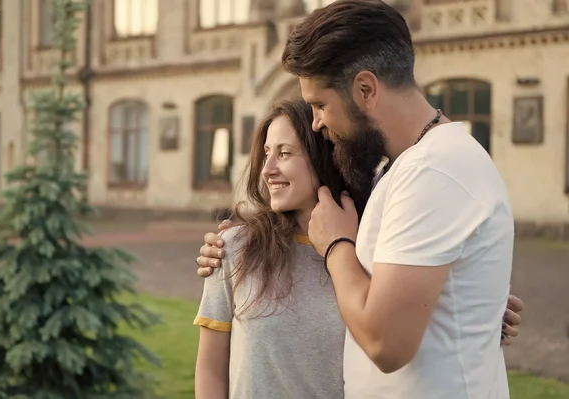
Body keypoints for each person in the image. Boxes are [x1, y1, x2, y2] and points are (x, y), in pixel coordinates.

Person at [196, 1, 525, 398]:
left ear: (365, 89)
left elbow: (385, 343)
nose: (317, 122)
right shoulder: (402, 168)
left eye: (320, 105)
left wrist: (335, 245)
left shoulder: (432, 170)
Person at [193, 98, 371, 399]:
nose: (267, 170)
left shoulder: (367, 251)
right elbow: (211, 368)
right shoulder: (233, 248)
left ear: (324, 158)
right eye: (266, 154)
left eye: (284, 154)